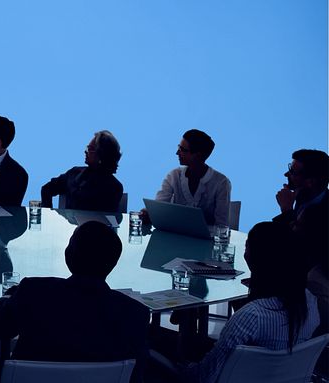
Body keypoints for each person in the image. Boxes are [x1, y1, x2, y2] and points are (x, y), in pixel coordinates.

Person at [0, 221, 150, 381]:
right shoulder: (134, 313)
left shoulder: (34, 292)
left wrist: (11, 297)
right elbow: (137, 371)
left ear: (68, 255)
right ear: (113, 263)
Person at [179, 221, 320, 383]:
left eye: (247, 248)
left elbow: (205, 377)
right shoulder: (309, 302)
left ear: (252, 258)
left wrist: (181, 368)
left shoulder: (251, 316)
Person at [141, 129, 231, 227]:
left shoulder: (221, 183)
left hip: (206, 241)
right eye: (179, 148)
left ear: (198, 155)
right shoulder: (174, 176)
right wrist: (149, 213)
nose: (177, 153)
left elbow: (221, 226)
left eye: (182, 150)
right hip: (174, 237)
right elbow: (159, 209)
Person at [274, 149, 328, 286]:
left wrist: (286, 211)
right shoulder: (302, 197)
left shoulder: (324, 212)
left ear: (310, 182)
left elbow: (298, 249)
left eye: (293, 172)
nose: (286, 174)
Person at [40, 130, 124, 211]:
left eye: (90, 149)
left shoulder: (114, 187)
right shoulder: (74, 173)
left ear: (101, 155)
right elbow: (46, 189)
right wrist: (48, 214)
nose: (85, 151)